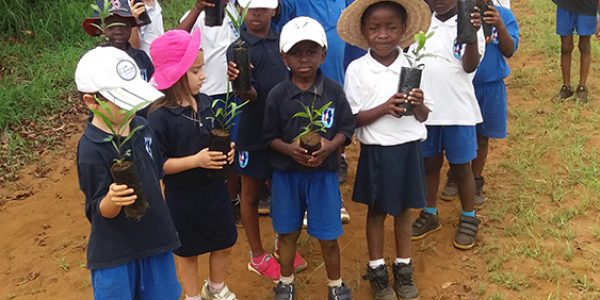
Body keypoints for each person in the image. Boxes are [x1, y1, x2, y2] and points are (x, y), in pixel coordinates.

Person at [338, 0, 431, 299]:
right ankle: (377, 269)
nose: (383, 35)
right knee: (377, 211)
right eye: (375, 28)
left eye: (391, 27)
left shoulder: (413, 66)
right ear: (364, 32)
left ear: (403, 30)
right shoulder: (357, 69)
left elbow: (425, 115)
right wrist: (383, 108)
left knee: (404, 210)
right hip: (377, 151)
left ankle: (403, 267)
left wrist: (418, 105)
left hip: (408, 148)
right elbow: (352, 118)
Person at [75, 46, 181, 299]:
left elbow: (155, 175)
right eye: (122, 101)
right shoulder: (91, 149)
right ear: (91, 101)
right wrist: (113, 198)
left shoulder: (142, 127)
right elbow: (98, 209)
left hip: (156, 239)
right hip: (116, 252)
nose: (131, 108)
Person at [263, 16, 356, 300]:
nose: (304, 59)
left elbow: (346, 128)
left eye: (311, 51)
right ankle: (286, 281)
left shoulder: (333, 92)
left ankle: (335, 284)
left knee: (328, 234)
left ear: (323, 54)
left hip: (323, 174)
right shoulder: (278, 95)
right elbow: (269, 137)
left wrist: (330, 147)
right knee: (288, 233)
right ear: (284, 57)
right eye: (296, 52)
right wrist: (289, 149)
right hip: (287, 176)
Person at [147, 30, 238, 300]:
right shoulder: (159, 117)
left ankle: (215, 286)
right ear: (176, 76)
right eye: (196, 70)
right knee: (188, 251)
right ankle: (191, 295)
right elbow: (159, 165)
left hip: (214, 190)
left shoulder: (206, 103)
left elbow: (217, 138)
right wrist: (196, 160)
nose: (204, 76)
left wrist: (228, 151)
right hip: (183, 197)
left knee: (224, 241)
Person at [226, 0, 308, 281]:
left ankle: (280, 243)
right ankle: (257, 254)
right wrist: (244, 86)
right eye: (251, 7)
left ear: (274, 9)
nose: (257, 13)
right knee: (250, 192)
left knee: (281, 188)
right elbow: (246, 96)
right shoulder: (238, 48)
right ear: (241, 10)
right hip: (252, 132)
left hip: (282, 130)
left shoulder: (284, 41)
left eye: (263, 7)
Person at [410, 0, 486, 250]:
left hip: (458, 112)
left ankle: (468, 216)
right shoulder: (420, 25)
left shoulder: (469, 24)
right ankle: (430, 212)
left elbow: (470, 65)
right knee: (429, 164)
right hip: (427, 111)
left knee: (462, 167)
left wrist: (471, 35)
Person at [179, 0, 246, 222]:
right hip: (205, 94)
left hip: (230, 93)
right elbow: (178, 39)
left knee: (231, 145)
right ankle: (212, 196)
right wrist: (198, 9)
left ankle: (232, 197)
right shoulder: (194, 16)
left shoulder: (234, 16)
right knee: (209, 146)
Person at [469, 3, 519, 206]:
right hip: (463, 87)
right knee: (460, 134)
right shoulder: (459, 15)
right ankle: (457, 174)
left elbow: (509, 51)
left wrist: (499, 25)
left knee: (482, 136)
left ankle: (475, 179)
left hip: (491, 86)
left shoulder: (504, 15)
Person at [83, 0, 154, 82]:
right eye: (111, 27)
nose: (119, 31)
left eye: (124, 25)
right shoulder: (94, 60)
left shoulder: (141, 57)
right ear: (98, 29)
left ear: (131, 26)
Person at [552, 0, 599, 102]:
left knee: (584, 46)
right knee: (565, 47)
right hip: (564, 5)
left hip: (588, 7)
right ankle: (566, 87)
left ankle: (582, 87)